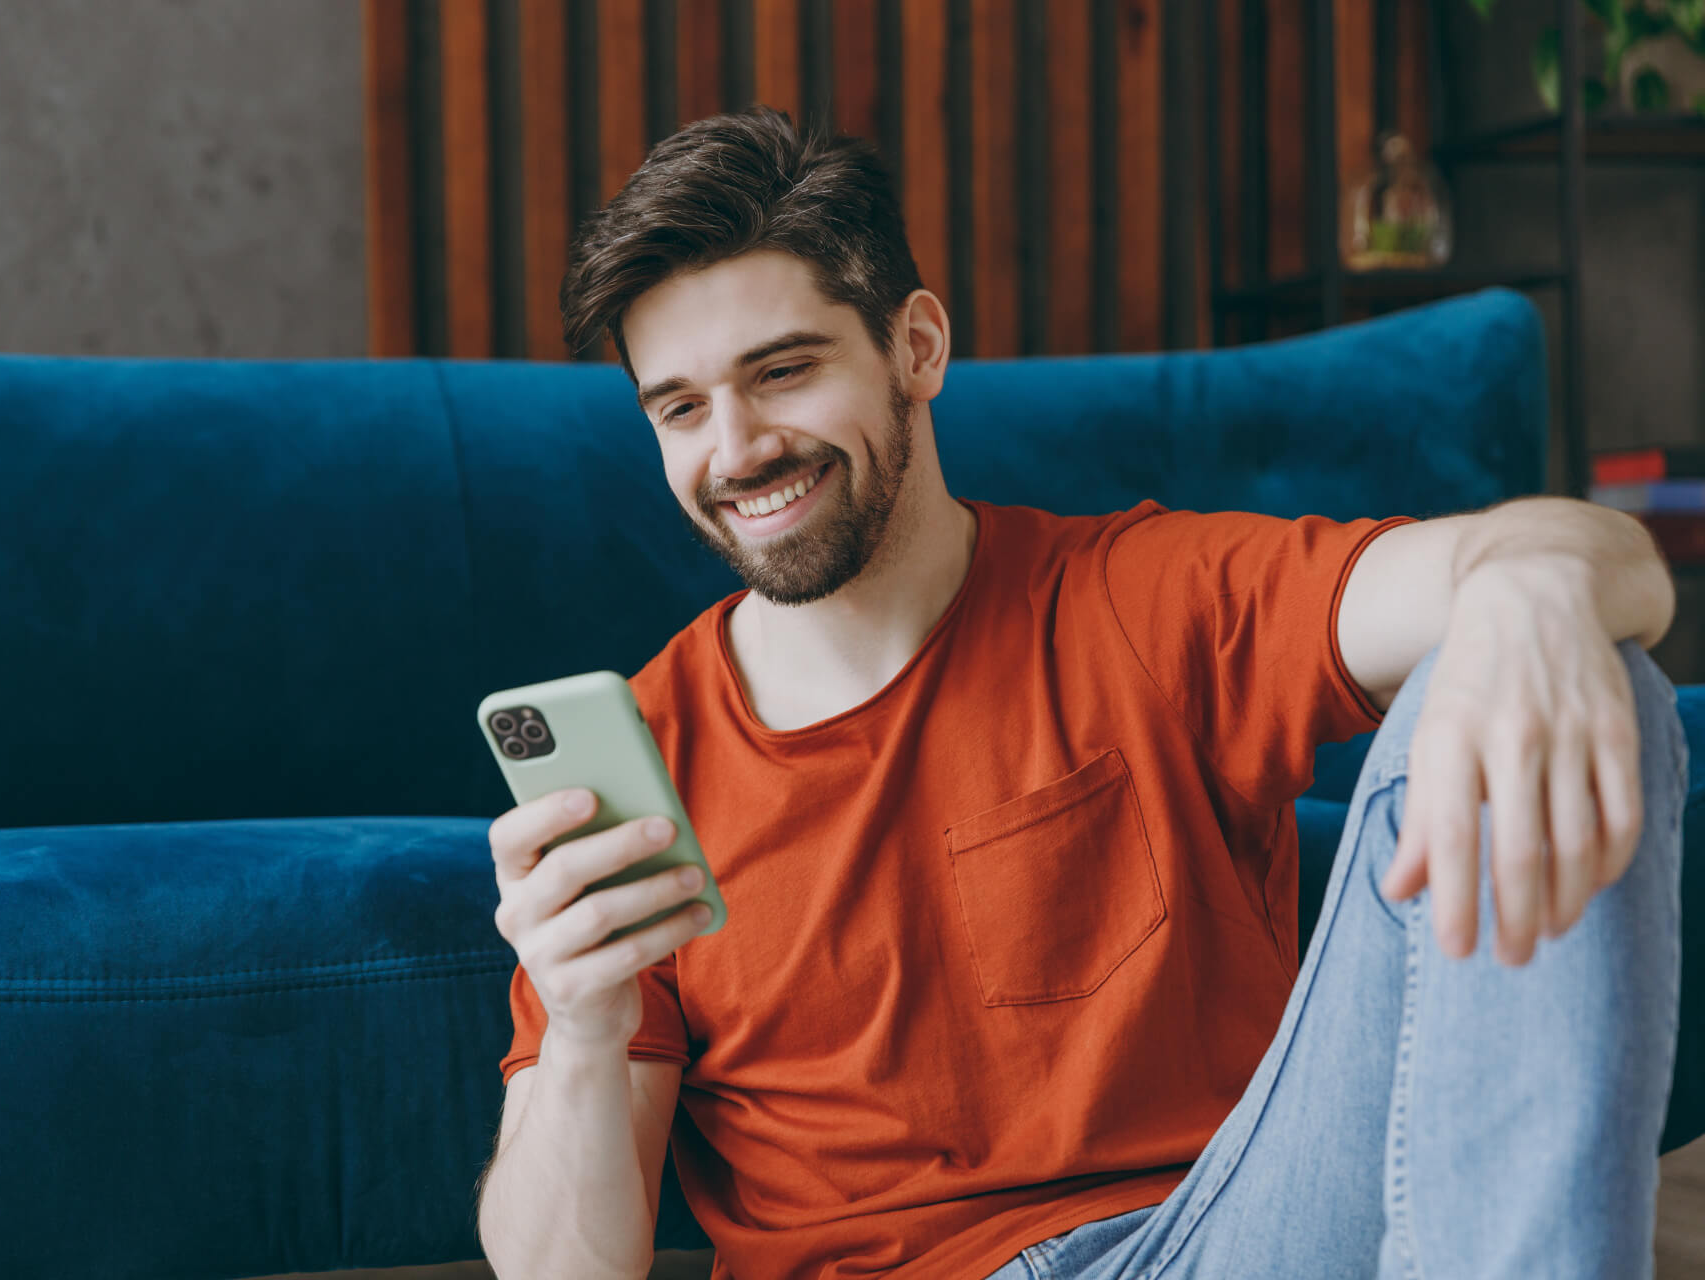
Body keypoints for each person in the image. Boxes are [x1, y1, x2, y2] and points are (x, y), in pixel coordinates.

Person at [473, 107, 1685, 1280]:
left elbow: (1599, 558)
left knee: (1577, 658)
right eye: (681, 408)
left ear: (918, 347)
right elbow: (568, 1269)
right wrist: (582, 1022)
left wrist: (1529, 599)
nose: (735, 449)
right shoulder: (638, 766)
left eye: (781, 371)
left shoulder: (1138, 599)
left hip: (1232, 1236)